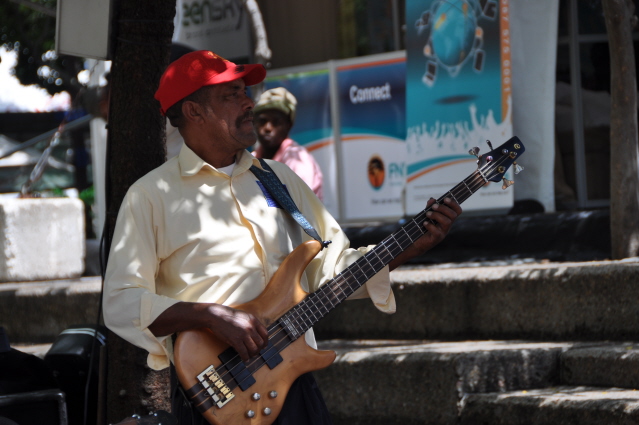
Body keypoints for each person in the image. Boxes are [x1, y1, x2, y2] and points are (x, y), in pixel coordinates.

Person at [102, 50, 462, 424]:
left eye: (246, 92)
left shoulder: (277, 178)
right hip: (215, 393)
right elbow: (121, 301)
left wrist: (408, 248)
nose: (248, 103)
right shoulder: (150, 195)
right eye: (232, 94)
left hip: (291, 383)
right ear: (194, 112)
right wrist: (210, 316)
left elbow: (332, 269)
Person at [253, 87, 324, 200]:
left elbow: (301, 209)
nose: (268, 128)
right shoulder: (250, 160)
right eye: (262, 121)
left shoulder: (298, 159)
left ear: (288, 125)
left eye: (276, 122)